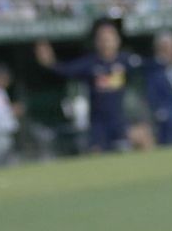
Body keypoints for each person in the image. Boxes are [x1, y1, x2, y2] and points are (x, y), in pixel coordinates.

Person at [36, 18, 143, 153]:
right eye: (102, 38)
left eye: (109, 37)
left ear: (117, 39)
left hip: (121, 121)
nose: (106, 42)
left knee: (138, 142)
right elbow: (66, 70)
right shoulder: (90, 63)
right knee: (96, 156)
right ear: (96, 41)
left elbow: (148, 66)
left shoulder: (126, 60)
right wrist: (50, 63)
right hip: (98, 125)